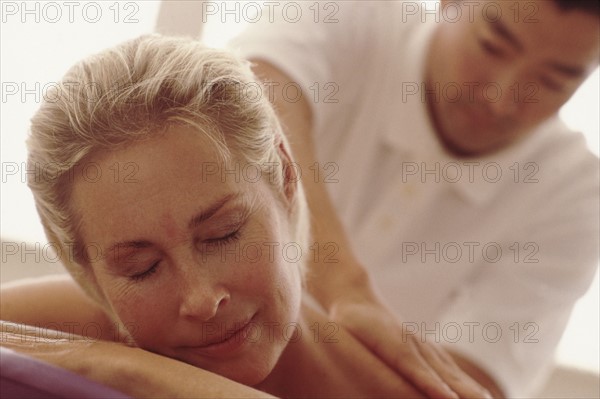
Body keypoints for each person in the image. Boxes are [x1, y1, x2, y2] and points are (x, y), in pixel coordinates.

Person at [0, 33, 469, 398]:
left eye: (223, 235)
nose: (201, 300)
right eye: (142, 269)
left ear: (285, 177)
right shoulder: (96, 329)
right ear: (86, 271)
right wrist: (112, 367)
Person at [227, 0, 600, 397]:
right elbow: (246, 98)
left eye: (554, 80)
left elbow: (460, 385)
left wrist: (249, 329)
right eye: (492, 45)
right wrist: (344, 287)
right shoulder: (351, 14)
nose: (500, 96)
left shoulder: (577, 196)